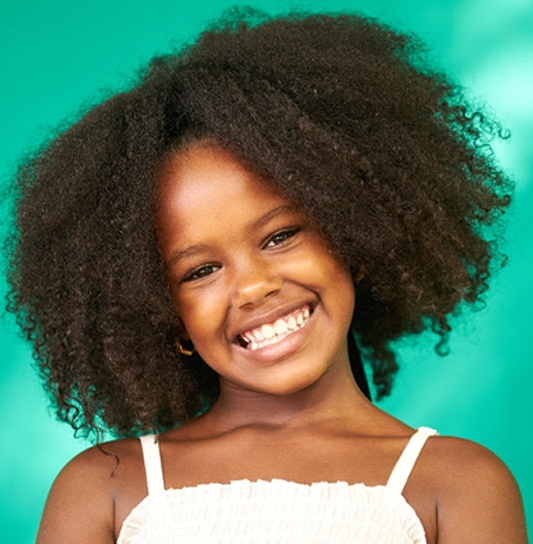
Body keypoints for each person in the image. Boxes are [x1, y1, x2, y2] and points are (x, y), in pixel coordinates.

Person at [5, 8, 527, 543]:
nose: (254, 286)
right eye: (201, 270)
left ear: (354, 232)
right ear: (164, 314)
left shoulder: (458, 484)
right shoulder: (104, 489)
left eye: (280, 236)